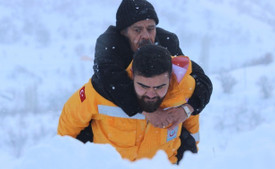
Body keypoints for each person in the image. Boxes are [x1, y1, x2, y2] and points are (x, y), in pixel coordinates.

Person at [90, 0, 212, 161]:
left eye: (150, 28)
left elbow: (201, 80)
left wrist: (187, 110)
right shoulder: (110, 45)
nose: (146, 36)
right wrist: (150, 112)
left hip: (164, 132)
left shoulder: (166, 43)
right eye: (137, 30)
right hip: (115, 131)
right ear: (124, 32)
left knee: (187, 148)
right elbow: (111, 83)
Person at [58, 45, 199, 164]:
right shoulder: (102, 91)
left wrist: (186, 110)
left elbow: (193, 136)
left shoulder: (184, 90)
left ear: (170, 77)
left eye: (159, 87)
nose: (151, 94)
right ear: (132, 75)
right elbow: (67, 129)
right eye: (143, 86)